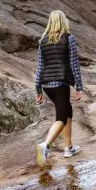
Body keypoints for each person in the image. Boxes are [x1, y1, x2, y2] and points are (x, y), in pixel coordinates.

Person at [34, 10, 84, 167]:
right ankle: (45, 145)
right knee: (61, 118)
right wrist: (79, 86)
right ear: (63, 21)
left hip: (47, 85)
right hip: (60, 83)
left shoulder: (43, 41)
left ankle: (68, 148)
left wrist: (38, 89)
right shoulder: (68, 38)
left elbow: (40, 67)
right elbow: (74, 64)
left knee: (67, 110)